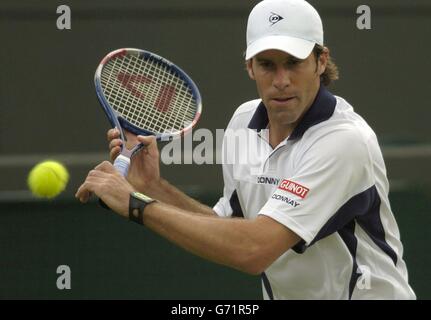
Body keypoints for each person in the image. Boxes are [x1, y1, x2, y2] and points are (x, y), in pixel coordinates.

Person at [76, 0, 416, 299]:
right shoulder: (242, 121)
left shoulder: (344, 141)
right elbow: (227, 227)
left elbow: (254, 249)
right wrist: (151, 187)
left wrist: (137, 205)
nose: (281, 79)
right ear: (250, 66)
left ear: (321, 61)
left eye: (293, 62)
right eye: (267, 64)